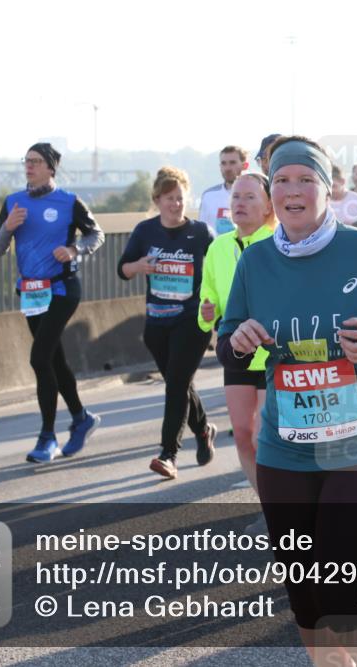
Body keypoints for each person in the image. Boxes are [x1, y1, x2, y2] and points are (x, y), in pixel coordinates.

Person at [217, 136, 357, 667]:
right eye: (283, 181)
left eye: (306, 180)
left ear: (327, 189)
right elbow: (226, 344)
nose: (294, 191)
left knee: (339, 587)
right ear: (271, 196)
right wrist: (238, 339)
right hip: (286, 448)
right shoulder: (255, 262)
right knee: (305, 591)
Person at [0, 142, 104, 463]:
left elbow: (96, 235)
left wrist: (73, 251)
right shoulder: (13, 202)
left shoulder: (69, 202)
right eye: (26, 161)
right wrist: (8, 227)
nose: (29, 166)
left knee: (39, 358)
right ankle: (82, 418)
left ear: (51, 168)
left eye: (36, 161)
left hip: (62, 289)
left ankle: (47, 437)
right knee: (54, 360)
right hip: (30, 292)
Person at [118, 167, 218, 480]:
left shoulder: (201, 232)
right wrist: (139, 265)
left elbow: (219, 269)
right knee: (180, 383)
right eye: (169, 199)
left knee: (175, 384)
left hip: (192, 320)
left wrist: (214, 306)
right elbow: (123, 269)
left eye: (180, 198)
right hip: (157, 323)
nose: (176, 204)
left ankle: (168, 454)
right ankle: (203, 430)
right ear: (157, 200)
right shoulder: (145, 231)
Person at [198, 172, 276, 517]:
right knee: (243, 434)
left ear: (269, 207)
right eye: (235, 198)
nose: (240, 204)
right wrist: (206, 312)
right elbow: (207, 300)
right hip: (236, 349)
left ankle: (286, 506)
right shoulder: (217, 247)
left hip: (273, 353)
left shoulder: (279, 242)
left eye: (249, 198)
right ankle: (269, 508)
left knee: (264, 436)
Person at [199, 146, 248, 236]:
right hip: (217, 249)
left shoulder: (256, 195)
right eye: (223, 163)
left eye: (232, 163)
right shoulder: (208, 196)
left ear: (245, 166)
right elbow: (202, 232)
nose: (228, 168)